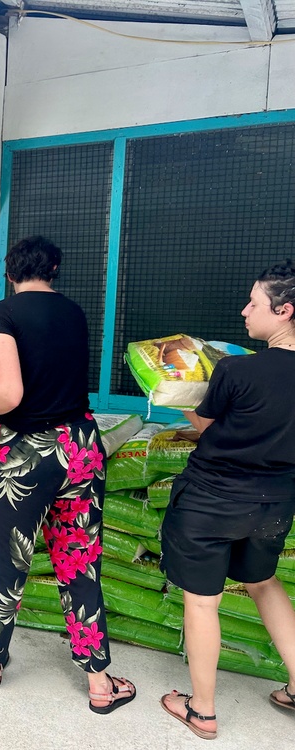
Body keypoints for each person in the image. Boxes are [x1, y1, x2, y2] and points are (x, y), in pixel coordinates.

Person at [0, 236, 135, 712]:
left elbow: (9, 393)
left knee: (6, 560)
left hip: (24, 455)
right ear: (54, 269)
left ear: (10, 273)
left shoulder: (2, 313)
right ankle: (99, 683)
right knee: (79, 560)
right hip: (80, 446)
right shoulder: (74, 313)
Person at [159, 261, 295, 740]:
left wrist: (173, 393)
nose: (244, 311)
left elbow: (207, 427)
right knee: (263, 582)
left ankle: (202, 710)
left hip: (212, 501)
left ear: (284, 311)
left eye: (254, 303)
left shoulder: (237, 370)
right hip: (274, 504)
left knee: (202, 602)